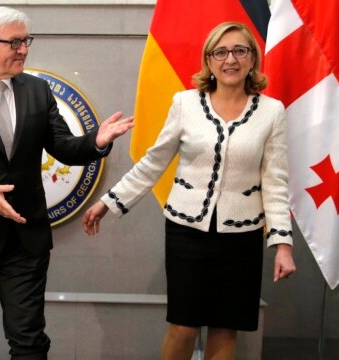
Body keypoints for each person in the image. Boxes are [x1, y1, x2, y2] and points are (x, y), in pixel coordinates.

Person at [0, 6, 133, 360]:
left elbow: (63, 146)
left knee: (29, 339)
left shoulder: (37, 90)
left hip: (25, 239)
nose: (24, 49)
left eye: (26, 41)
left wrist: (96, 141)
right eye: (14, 42)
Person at [82, 21, 296, 360]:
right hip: (187, 233)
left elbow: (275, 181)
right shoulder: (185, 103)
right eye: (221, 52)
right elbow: (154, 162)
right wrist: (109, 202)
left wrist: (282, 243)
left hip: (242, 237)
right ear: (208, 61)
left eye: (240, 50)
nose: (231, 59)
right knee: (184, 325)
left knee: (226, 326)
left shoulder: (272, 112)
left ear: (252, 59)